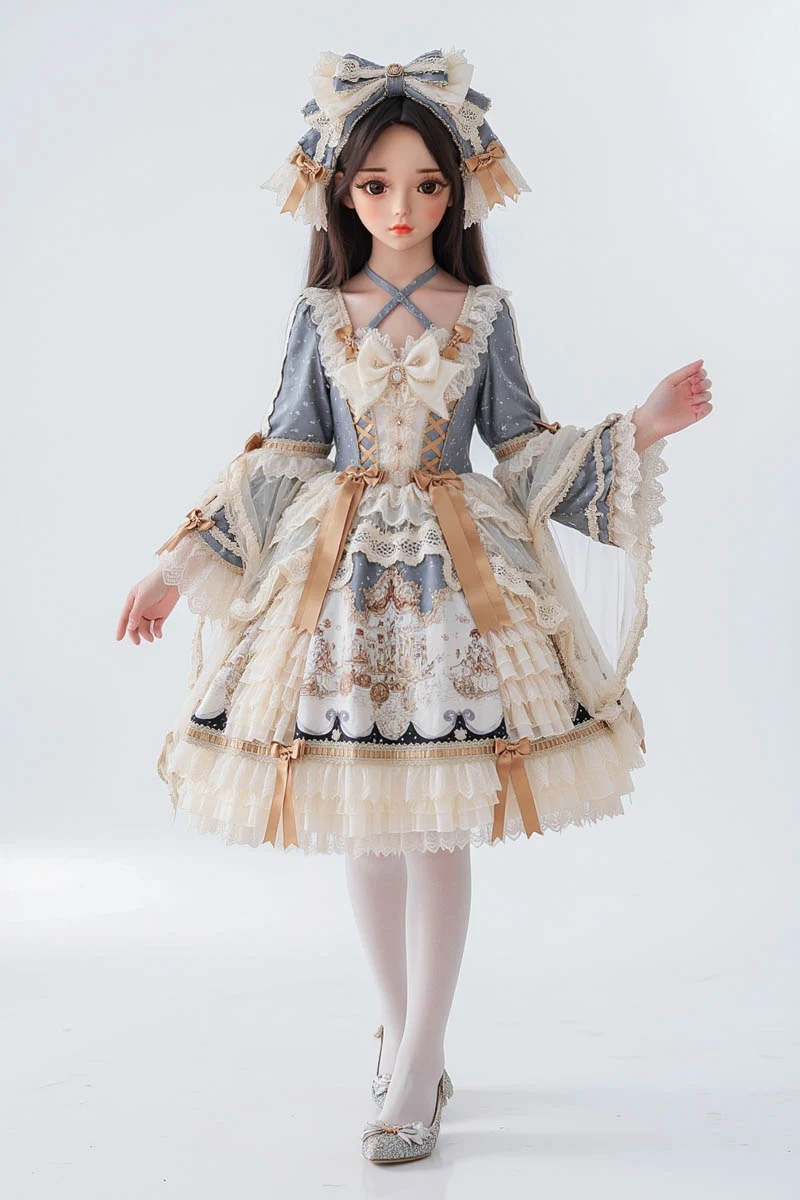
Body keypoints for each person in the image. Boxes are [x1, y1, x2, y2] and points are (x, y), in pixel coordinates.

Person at [116, 49, 713, 1165]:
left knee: (438, 819)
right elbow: (284, 454)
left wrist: (637, 428)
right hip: (338, 587)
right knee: (367, 814)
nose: (403, 206)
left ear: (458, 189)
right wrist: (177, 561)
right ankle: (402, 1040)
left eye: (427, 184)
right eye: (377, 184)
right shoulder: (318, 314)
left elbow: (522, 450)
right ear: (340, 192)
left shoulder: (482, 313)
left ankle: (422, 1048)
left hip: (456, 590)